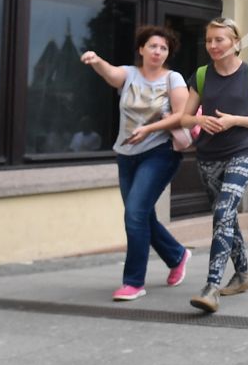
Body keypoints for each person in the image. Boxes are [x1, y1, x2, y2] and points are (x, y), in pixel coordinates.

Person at [81, 27, 193, 301]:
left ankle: (133, 282)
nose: (158, 52)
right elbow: (110, 72)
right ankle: (177, 254)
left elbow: (181, 115)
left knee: (134, 213)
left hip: (160, 152)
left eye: (163, 48)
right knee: (140, 214)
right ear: (141, 49)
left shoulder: (173, 78)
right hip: (126, 155)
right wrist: (96, 60)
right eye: (153, 46)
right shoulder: (129, 75)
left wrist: (149, 129)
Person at [177, 18, 248, 314]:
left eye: (220, 40)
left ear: (235, 43)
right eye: (209, 41)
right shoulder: (202, 75)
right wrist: (199, 120)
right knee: (227, 215)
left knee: (223, 210)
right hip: (209, 156)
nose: (213, 46)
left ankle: (212, 286)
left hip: (243, 151)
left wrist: (234, 120)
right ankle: (242, 274)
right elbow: (184, 118)